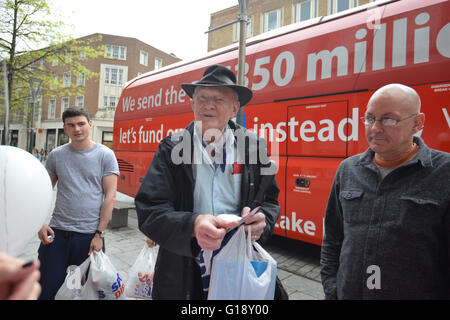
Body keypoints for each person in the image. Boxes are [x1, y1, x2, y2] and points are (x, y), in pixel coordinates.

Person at [135, 65, 281, 300]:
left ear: (235, 108)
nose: (209, 105)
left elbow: (270, 202)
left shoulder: (254, 148)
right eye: (202, 97)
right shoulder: (171, 148)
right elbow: (149, 210)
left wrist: (263, 221)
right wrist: (193, 225)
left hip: (238, 265)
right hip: (183, 270)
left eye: (219, 99)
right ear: (193, 103)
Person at [320, 83, 450, 299]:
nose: (375, 128)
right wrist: (332, 289)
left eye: (389, 119)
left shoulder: (444, 172)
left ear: (417, 123)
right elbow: (333, 237)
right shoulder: (348, 169)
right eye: (370, 118)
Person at [37, 107, 119, 300]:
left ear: (90, 124)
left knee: (88, 292)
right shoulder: (56, 155)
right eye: (71, 125)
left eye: (81, 124)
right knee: (47, 288)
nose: (77, 129)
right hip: (56, 233)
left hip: (89, 236)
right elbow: (43, 191)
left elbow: (110, 196)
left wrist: (99, 233)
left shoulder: (105, 155)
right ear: (64, 128)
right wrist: (39, 223)